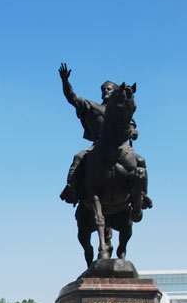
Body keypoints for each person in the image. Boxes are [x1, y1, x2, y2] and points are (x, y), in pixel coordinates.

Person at [58, 63, 150, 215]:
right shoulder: (92, 107)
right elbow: (72, 98)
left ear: (115, 92)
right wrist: (65, 81)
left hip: (121, 147)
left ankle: (142, 196)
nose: (106, 90)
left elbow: (131, 125)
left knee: (140, 161)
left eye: (109, 88)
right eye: (104, 89)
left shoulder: (121, 111)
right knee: (79, 156)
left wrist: (133, 132)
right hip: (98, 145)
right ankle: (71, 188)